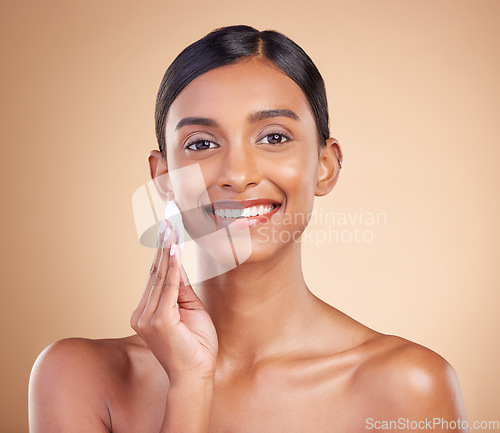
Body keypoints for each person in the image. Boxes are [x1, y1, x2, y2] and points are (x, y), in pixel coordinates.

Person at [28, 25, 468, 432]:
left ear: (326, 165)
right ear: (163, 179)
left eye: (274, 137)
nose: (238, 174)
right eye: (202, 143)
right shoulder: (78, 377)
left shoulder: (410, 386)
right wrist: (189, 388)